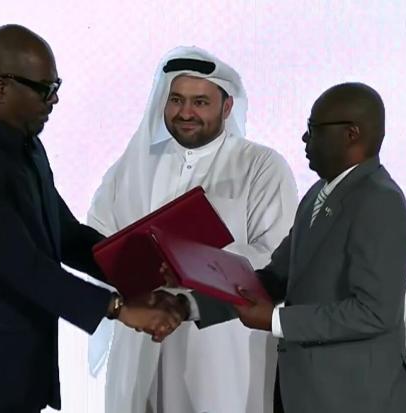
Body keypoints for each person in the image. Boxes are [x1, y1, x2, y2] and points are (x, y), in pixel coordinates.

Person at [0, 25, 183, 413]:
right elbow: (20, 265)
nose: (55, 99)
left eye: (56, 86)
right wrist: (118, 307)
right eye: (45, 89)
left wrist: (139, 274)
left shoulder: (25, 146)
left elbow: (63, 234)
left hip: (8, 369)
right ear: (1, 87)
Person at [87, 46, 298, 413]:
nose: (186, 113)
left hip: (221, 348)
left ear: (227, 107)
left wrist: (191, 264)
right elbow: (98, 240)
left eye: (200, 102)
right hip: (140, 341)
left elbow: (274, 256)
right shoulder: (131, 167)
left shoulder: (261, 166)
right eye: (176, 100)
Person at [231, 82, 406, 412]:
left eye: (314, 129)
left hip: (360, 399)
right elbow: (278, 277)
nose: (304, 138)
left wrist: (277, 320)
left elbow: (374, 312)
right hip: (307, 393)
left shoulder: (381, 202)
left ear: (352, 134)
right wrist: (197, 294)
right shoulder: (316, 195)